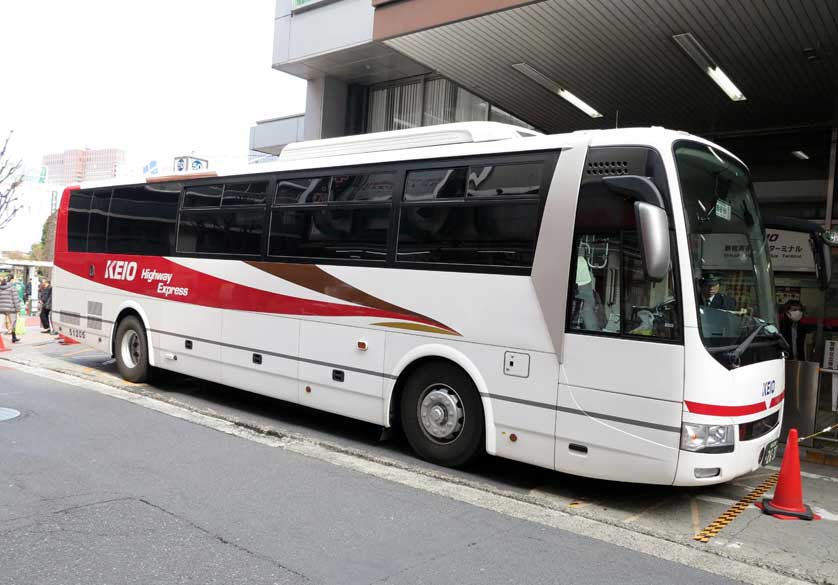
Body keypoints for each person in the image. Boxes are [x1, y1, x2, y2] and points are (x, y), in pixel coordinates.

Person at [0, 275, 21, 344]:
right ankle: (14, 337)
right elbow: (15, 299)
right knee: (13, 323)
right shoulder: (12, 288)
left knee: (0, 323)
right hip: (11, 308)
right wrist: (18, 309)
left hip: (2, 308)